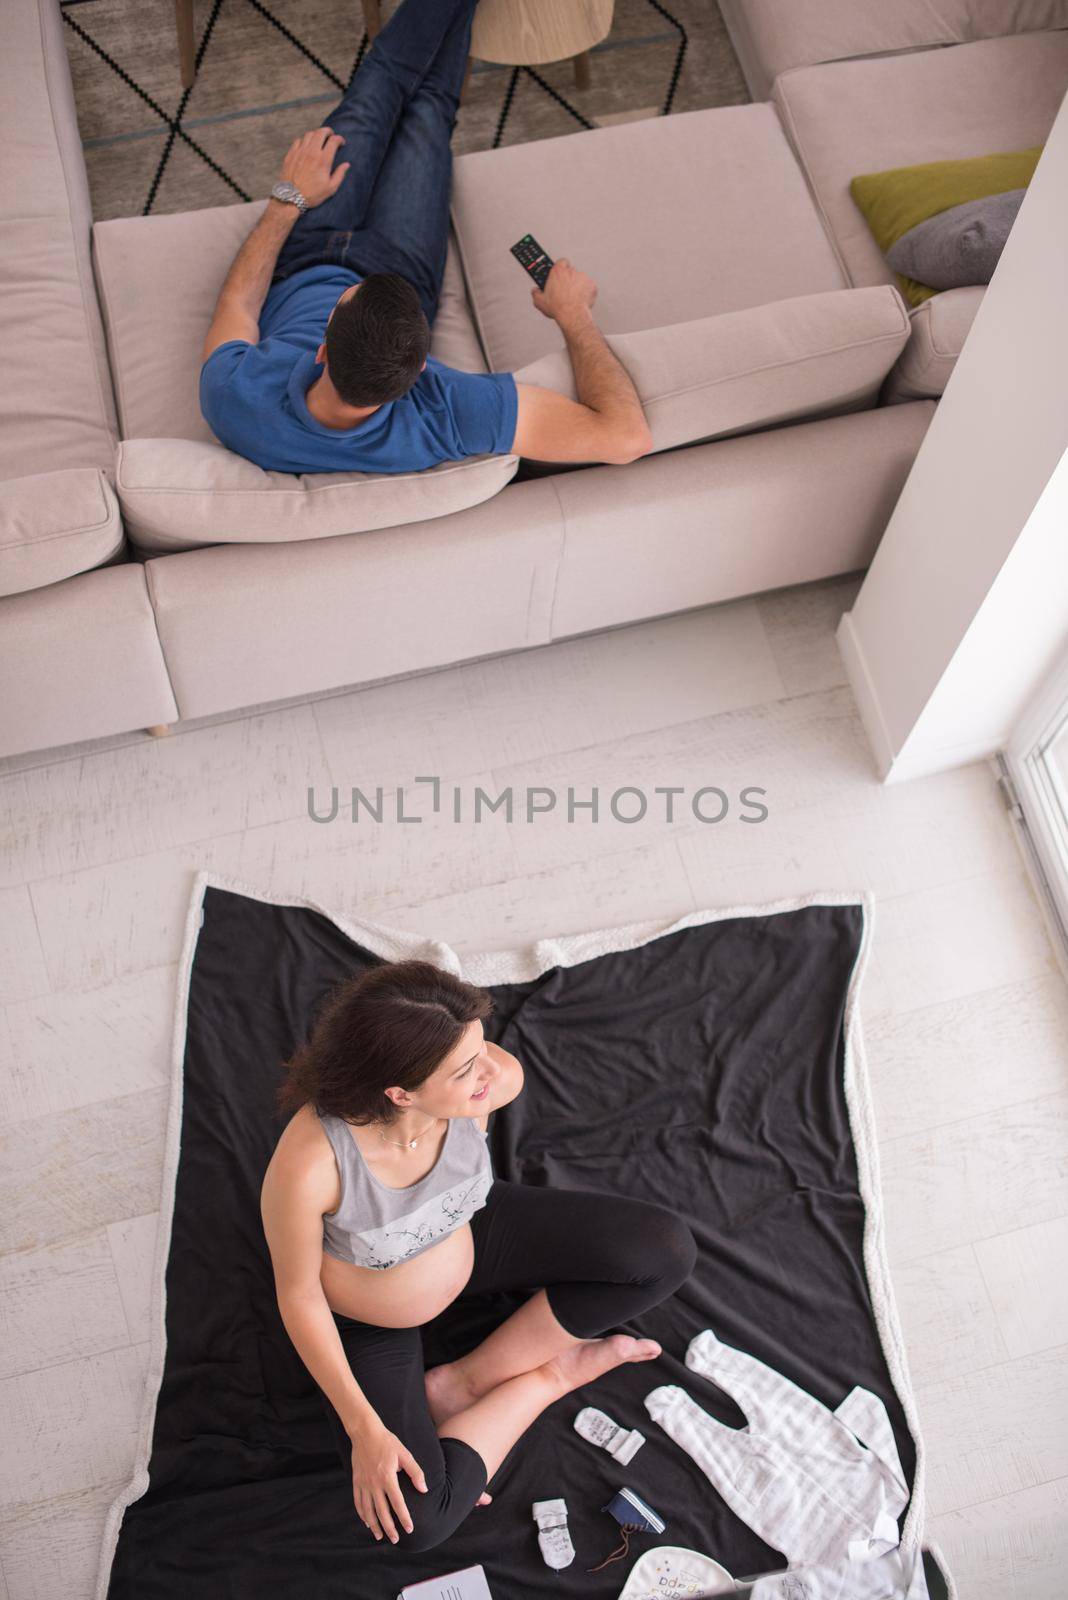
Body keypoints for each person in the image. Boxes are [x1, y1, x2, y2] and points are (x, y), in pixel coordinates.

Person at [260, 959, 697, 1553]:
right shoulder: (311, 1163)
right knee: (415, 1523)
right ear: (399, 1092)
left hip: (469, 1229)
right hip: (373, 1319)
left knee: (664, 1251)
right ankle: (549, 1377)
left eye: (481, 1044)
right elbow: (298, 1295)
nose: (491, 1068)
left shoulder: (494, 1076)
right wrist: (364, 1428)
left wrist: (470, 1064)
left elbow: (494, 1072)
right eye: (468, 1068)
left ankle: (468, 1382)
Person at [199, 0, 653, 477]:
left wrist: (288, 197)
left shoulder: (236, 400)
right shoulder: (444, 414)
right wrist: (573, 312)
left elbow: (238, 305)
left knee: (384, 78)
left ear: (322, 349)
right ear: (419, 372)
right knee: (430, 109)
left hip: (303, 251)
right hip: (403, 264)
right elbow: (627, 437)